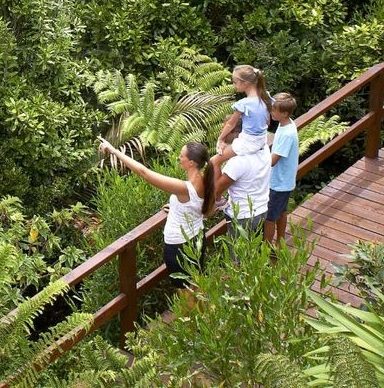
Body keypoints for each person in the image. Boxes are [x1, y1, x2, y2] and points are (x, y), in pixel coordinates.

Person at [97, 137, 213, 287]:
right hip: (197, 238)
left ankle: (191, 312)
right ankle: (200, 310)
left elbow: (143, 172)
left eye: (182, 155)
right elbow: (206, 210)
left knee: (185, 292)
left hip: (180, 246)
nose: (179, 157)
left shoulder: (185, 188)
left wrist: (113, 150)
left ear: (191, 163)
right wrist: (178, 208)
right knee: (196, 285)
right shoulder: (206, 180)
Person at [212, 65, 272, 170]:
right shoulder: (266, 96)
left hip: (247, 143)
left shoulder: (244, 104)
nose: (233, 85)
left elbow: (230, 124)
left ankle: (215, 186)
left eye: (235, 82)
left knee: (214, 161)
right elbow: (267, 122)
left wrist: (220, 139)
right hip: (262, 141)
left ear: (245, 84)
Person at [265, 93, 300, 243]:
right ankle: (280, 242)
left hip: (278, 183)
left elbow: (272, 161)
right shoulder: (287, 123)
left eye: (274, 110)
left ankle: (265, 249)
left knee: (270, 217)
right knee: (281, 211)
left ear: (284, 113)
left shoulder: (287, 134)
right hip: (284, 180)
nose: (271, 112)